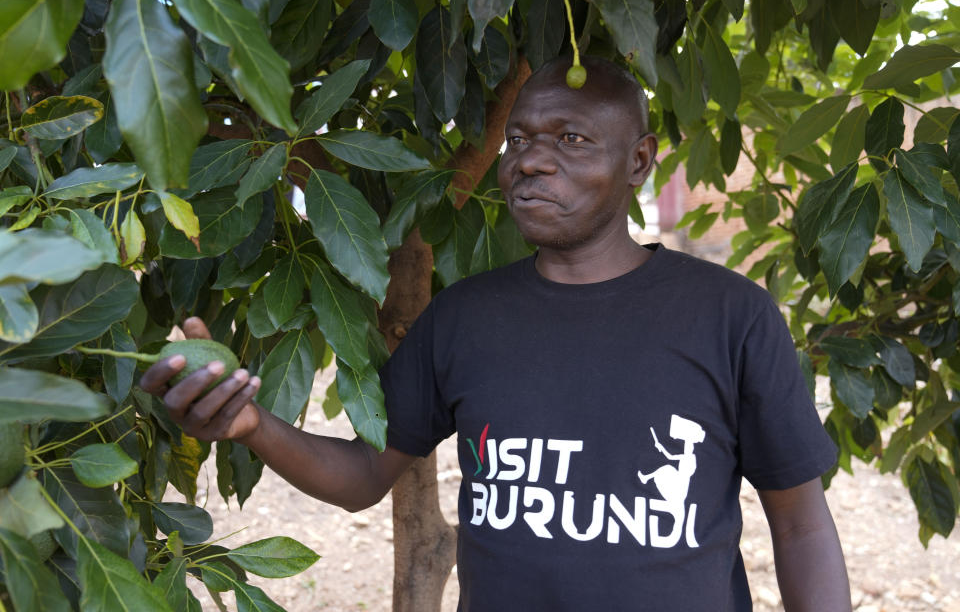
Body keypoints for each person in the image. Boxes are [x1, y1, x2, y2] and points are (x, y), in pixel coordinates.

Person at [141, 55, 851, 611]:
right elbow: (364, 476)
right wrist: (251, 424)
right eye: (519, 138)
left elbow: (799, 524)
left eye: (572, 139)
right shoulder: (464, 317)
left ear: (638, 161)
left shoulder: (729, 316)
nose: (530, 161)